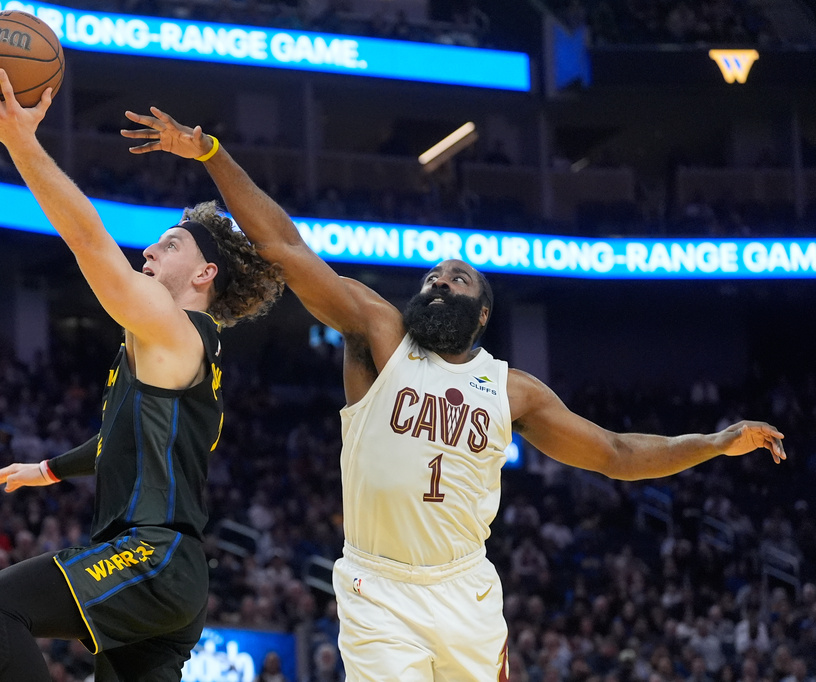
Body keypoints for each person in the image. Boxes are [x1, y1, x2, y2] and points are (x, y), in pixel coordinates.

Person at [121, 107, 787, 682]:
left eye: (457, 280)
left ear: (483, 314)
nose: (439, 282)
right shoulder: (380, 334)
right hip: (378, 585)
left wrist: (714, 443)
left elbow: (616, 453)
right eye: (432, 278)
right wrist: (210, 152)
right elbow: (283, 244)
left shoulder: (513, 391)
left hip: (466, 590)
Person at [0, 70, 283, 682]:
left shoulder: (174, 329)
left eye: (170, 245)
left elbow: (88, 240)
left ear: (205, 274)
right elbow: (122, 440)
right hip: (173, 577)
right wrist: (49, 469)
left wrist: (20, 142)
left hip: (150, 556)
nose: (149, 252)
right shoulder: (177, 352)